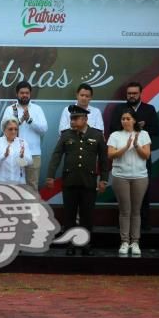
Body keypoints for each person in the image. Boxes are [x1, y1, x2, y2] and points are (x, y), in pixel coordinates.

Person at [46, 105, 108, 256]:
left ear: (85, 119)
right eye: (71, 119)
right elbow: (56, 156)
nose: (72, 122)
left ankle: (86, 244)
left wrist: (104, 180)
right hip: (70, 181)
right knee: (69, 216)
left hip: (89, 181)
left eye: (75, 119)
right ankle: (71, 245)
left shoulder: (97, 135)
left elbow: (104, 160)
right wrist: (50, 175)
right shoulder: (66, 135)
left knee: (87, 215)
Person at [108, 81, 159, 230]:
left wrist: (141, 128)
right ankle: (123, 224)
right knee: (123, 195)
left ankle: (143, 223)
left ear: (140, 94)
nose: (131, 96)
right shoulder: (119, 109)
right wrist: (129, 126)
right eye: (129, 93)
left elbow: (156, 130)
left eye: (134, 93)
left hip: (142, 155)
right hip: (122, 157)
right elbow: (112, 128)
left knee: (143, 192)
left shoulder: (149, 109)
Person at [107, 110, 152, 256]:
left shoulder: (143, 134)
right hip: (121, 176)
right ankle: (124, 241)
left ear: (134, 120)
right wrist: (126, 147)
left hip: (139, 176)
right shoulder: (115, 135)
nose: (125, 121)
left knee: (136, 210)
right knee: (125, 210)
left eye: (128, 118)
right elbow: (110, 155)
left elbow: (146, 155)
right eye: (123, 118)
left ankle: (135, 242)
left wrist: (137, 145)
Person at [2, 81, 48, 191]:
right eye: (22, 93)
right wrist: (20, 120)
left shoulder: (37, 109)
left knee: (32, 185)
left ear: (30, 94)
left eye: (27, 93)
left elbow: (44, 129)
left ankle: (32, 209)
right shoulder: (10, 109)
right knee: (15, 185)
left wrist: (30, 120)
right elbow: (3, 129)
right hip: (15, 153)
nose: (24, 95)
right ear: (17, 94)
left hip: (33, 154)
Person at [0, 118, 32, 184]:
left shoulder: (22, 142)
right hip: (1, 182)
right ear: (4, 130)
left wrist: (22, 157)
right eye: (10, 129)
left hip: (18, 182)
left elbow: (29, 163)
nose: (13, 131)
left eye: (16, 129)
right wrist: (4, 156)